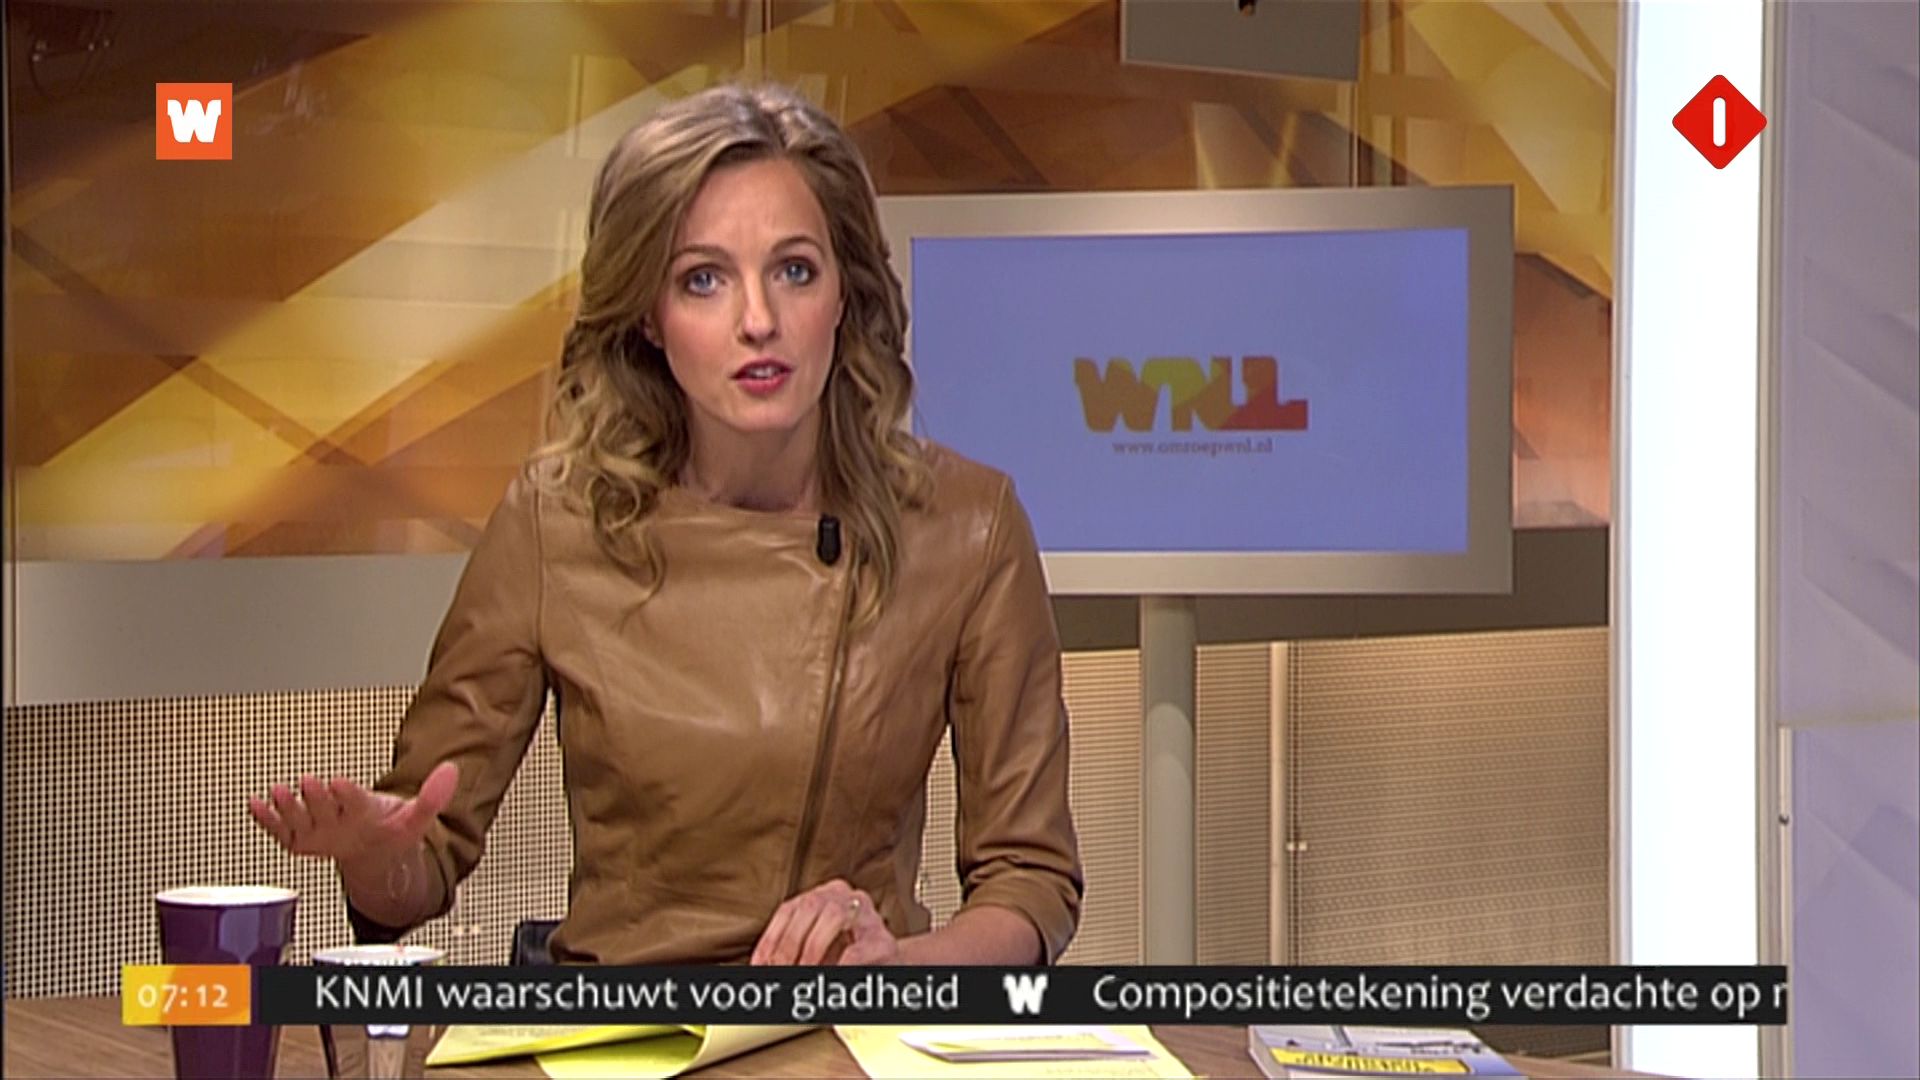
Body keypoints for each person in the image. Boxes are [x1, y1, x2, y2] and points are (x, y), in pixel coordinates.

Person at [246, 84, 1082, 967]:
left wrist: (893, 969)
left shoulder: (966, 526)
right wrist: (374, 851)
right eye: (703, 280)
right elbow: (421, 860)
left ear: (846, 292)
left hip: (847, 1024)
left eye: (796, 271)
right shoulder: (556, 519)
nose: (758, 322)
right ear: (649, 313)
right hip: (619, 1022)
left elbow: (1030, 881)